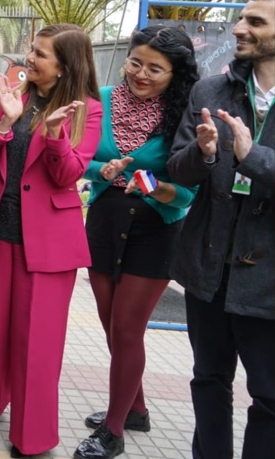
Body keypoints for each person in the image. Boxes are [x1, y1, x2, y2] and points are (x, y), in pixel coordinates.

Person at [0, 23, 102, 458]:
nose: (29, 58)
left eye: (40, 54)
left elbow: (68, 175)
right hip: (1, 228)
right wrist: (5, 118)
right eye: (32, 50)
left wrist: (54, 136)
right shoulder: (14, 93)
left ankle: (32, 435)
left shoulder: (87, 109)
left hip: (50, 242)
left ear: (65, 64)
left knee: (38, 342)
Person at [74, 26, 199, 459]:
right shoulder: (101, 100)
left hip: (156, 229)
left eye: (155, 69)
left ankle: (113, 430)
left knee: (128, 329)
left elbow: (188, 192)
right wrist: (100, 172)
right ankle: (136, 409)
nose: (141, 74)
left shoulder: (185, 113)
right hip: (105, 223)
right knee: (111, 325)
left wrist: (155, 186)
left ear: (176, 74)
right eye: (135, 62)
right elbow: (79, 156)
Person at [167, 0, 274, 459]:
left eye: (256, 22)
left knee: (270, 397)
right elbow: (177, 167)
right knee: (209, 380)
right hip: (208, 268)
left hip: (268, 281)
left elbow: (256, 162)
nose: (239, 28)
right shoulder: (211, 89)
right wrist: (203, 152)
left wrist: (255, 159)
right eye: (241, 19)